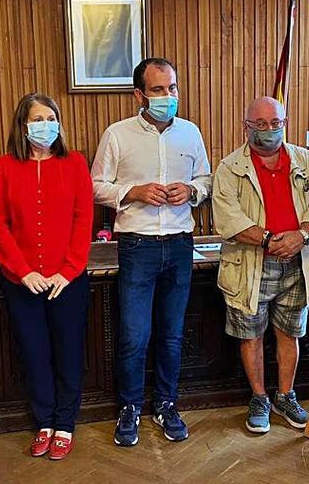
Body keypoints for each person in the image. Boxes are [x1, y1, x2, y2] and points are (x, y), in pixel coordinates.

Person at [91, 57, 212, 446]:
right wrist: (133, 192)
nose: (168, 96)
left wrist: (192, 191)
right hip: (137, 246)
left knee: (172, 334)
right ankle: (129, 408)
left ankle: (166, 404)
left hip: (179, 244)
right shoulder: (117, 134)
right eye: (158, 90)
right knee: (133, 335)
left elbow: (206, 179)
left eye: (172, 88)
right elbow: (94, 185)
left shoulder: (190, 133)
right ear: (139, 94)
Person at [211, 97, 309, 433]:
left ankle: (285, 395)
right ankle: (260, 397)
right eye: (260, 124)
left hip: (297, 261)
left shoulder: (306, 161)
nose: (268, 130)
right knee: (250, 335)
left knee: (289, 332)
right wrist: (268, 240)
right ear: (246, 126)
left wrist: (302, 235)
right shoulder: (229, 167)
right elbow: (227, 217)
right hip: (251, 264)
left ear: (285, 122)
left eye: (275, 123)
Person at [0, 93, 94, 460]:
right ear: (23, 124)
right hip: (22, 282)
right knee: (34, 354)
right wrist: (23, 270)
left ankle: (65, 423)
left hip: (68, 280)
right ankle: (44, 422)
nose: (45, 124)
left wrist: (68, 270)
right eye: (38, 118)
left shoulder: (75, 163)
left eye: (51, 117)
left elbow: (84, 220)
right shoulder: (4, 167)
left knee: (68, 352)